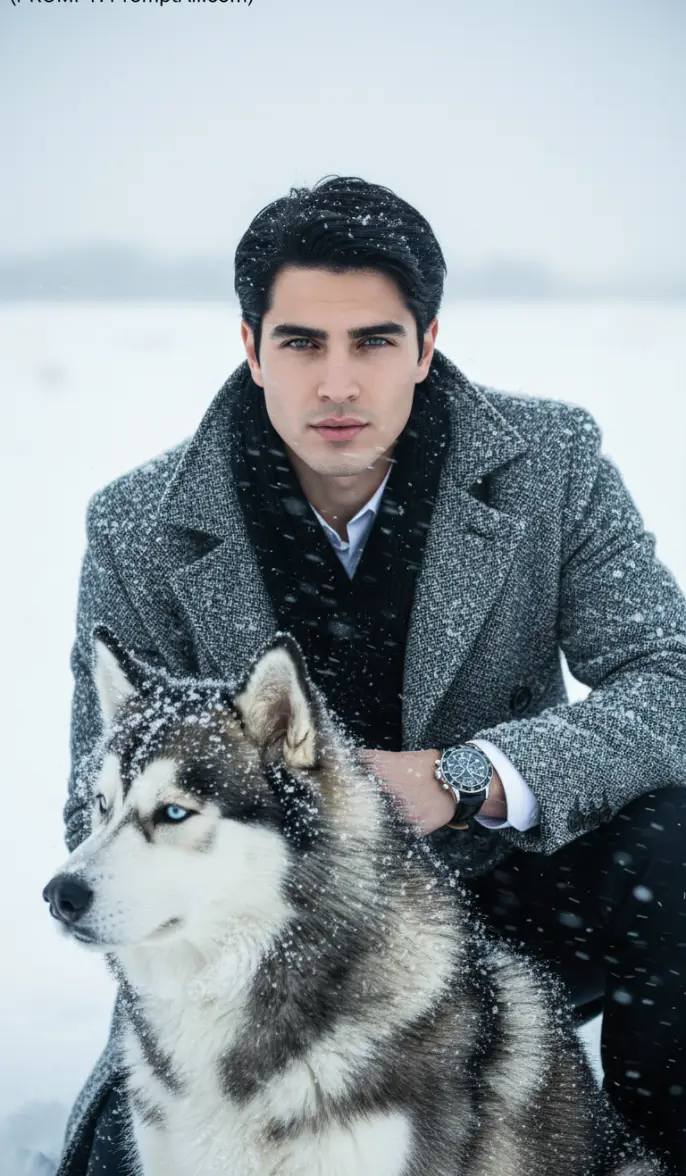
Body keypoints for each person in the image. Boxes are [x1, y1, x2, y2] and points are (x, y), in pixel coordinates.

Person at [56, 175, 686, 1175]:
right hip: (276, 949)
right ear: (251, 347)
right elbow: (98, 804)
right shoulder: (140, 527)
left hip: (520, 912)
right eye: (301, 342)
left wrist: (461, 776)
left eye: (373, 342)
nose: (336, 383)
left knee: (676, 843)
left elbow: (669, 681)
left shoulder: (550, 464)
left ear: (425, 344)